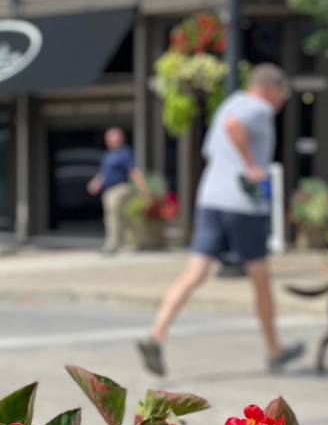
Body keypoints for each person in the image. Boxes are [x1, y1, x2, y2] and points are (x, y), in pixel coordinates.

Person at [137, 63, 304, 376]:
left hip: (210, 199)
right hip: (242, 206)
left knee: (195, 271)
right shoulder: (258, 108)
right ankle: (274, 350)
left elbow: (211, 150)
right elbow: (233, 127)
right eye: (283, 93)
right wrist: (253, 167)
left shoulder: (230, 101)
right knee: (261, 278)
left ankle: (157, 334)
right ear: (271, 88)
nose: (282, 101)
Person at [87, 127, 145, 254]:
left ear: (120, 138)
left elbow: (133, 170)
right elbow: (103, 174)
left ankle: (112, 245)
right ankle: (130, 242)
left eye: (112, 136)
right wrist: (95, 183)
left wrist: (142, 187)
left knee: (114, 216)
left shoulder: (124, 152)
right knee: (117, 216)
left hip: (120, 188)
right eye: (108, 137)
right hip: (108, 190)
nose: (109, 139)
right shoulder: (107, 155)